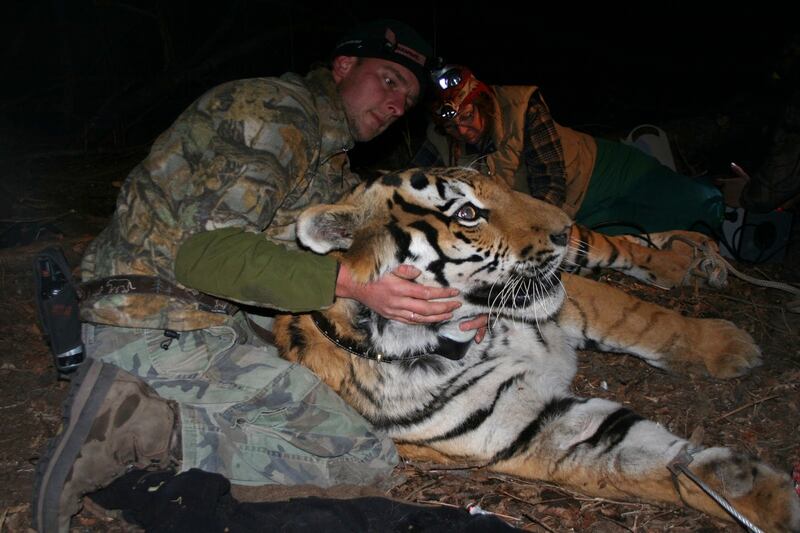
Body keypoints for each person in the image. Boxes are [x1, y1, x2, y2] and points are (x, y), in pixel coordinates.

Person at [33, 20, 487, 532]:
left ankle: (139, 441)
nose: (396, 105)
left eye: (407, 100)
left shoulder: (324, 155)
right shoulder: (277, 114)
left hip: (186, 321)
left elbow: (371, 255)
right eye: (389, 81)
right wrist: (352, 284)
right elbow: (206, 255)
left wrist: (452, 305)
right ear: (343, 67)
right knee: (363, 459)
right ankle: (143, 430)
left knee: (329, 406)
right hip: (158, 327)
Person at [412, 65, 726, 236]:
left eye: (467, 117)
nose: (462, 131)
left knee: (697, 205)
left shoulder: (521, 107)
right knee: (643, 235)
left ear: (481, 103)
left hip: (605, 171)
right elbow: (411, 183)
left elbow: (552, 182)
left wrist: (528, 234)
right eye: (451, 127)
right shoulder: (440, 139)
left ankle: (722, 190)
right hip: (580, 214)